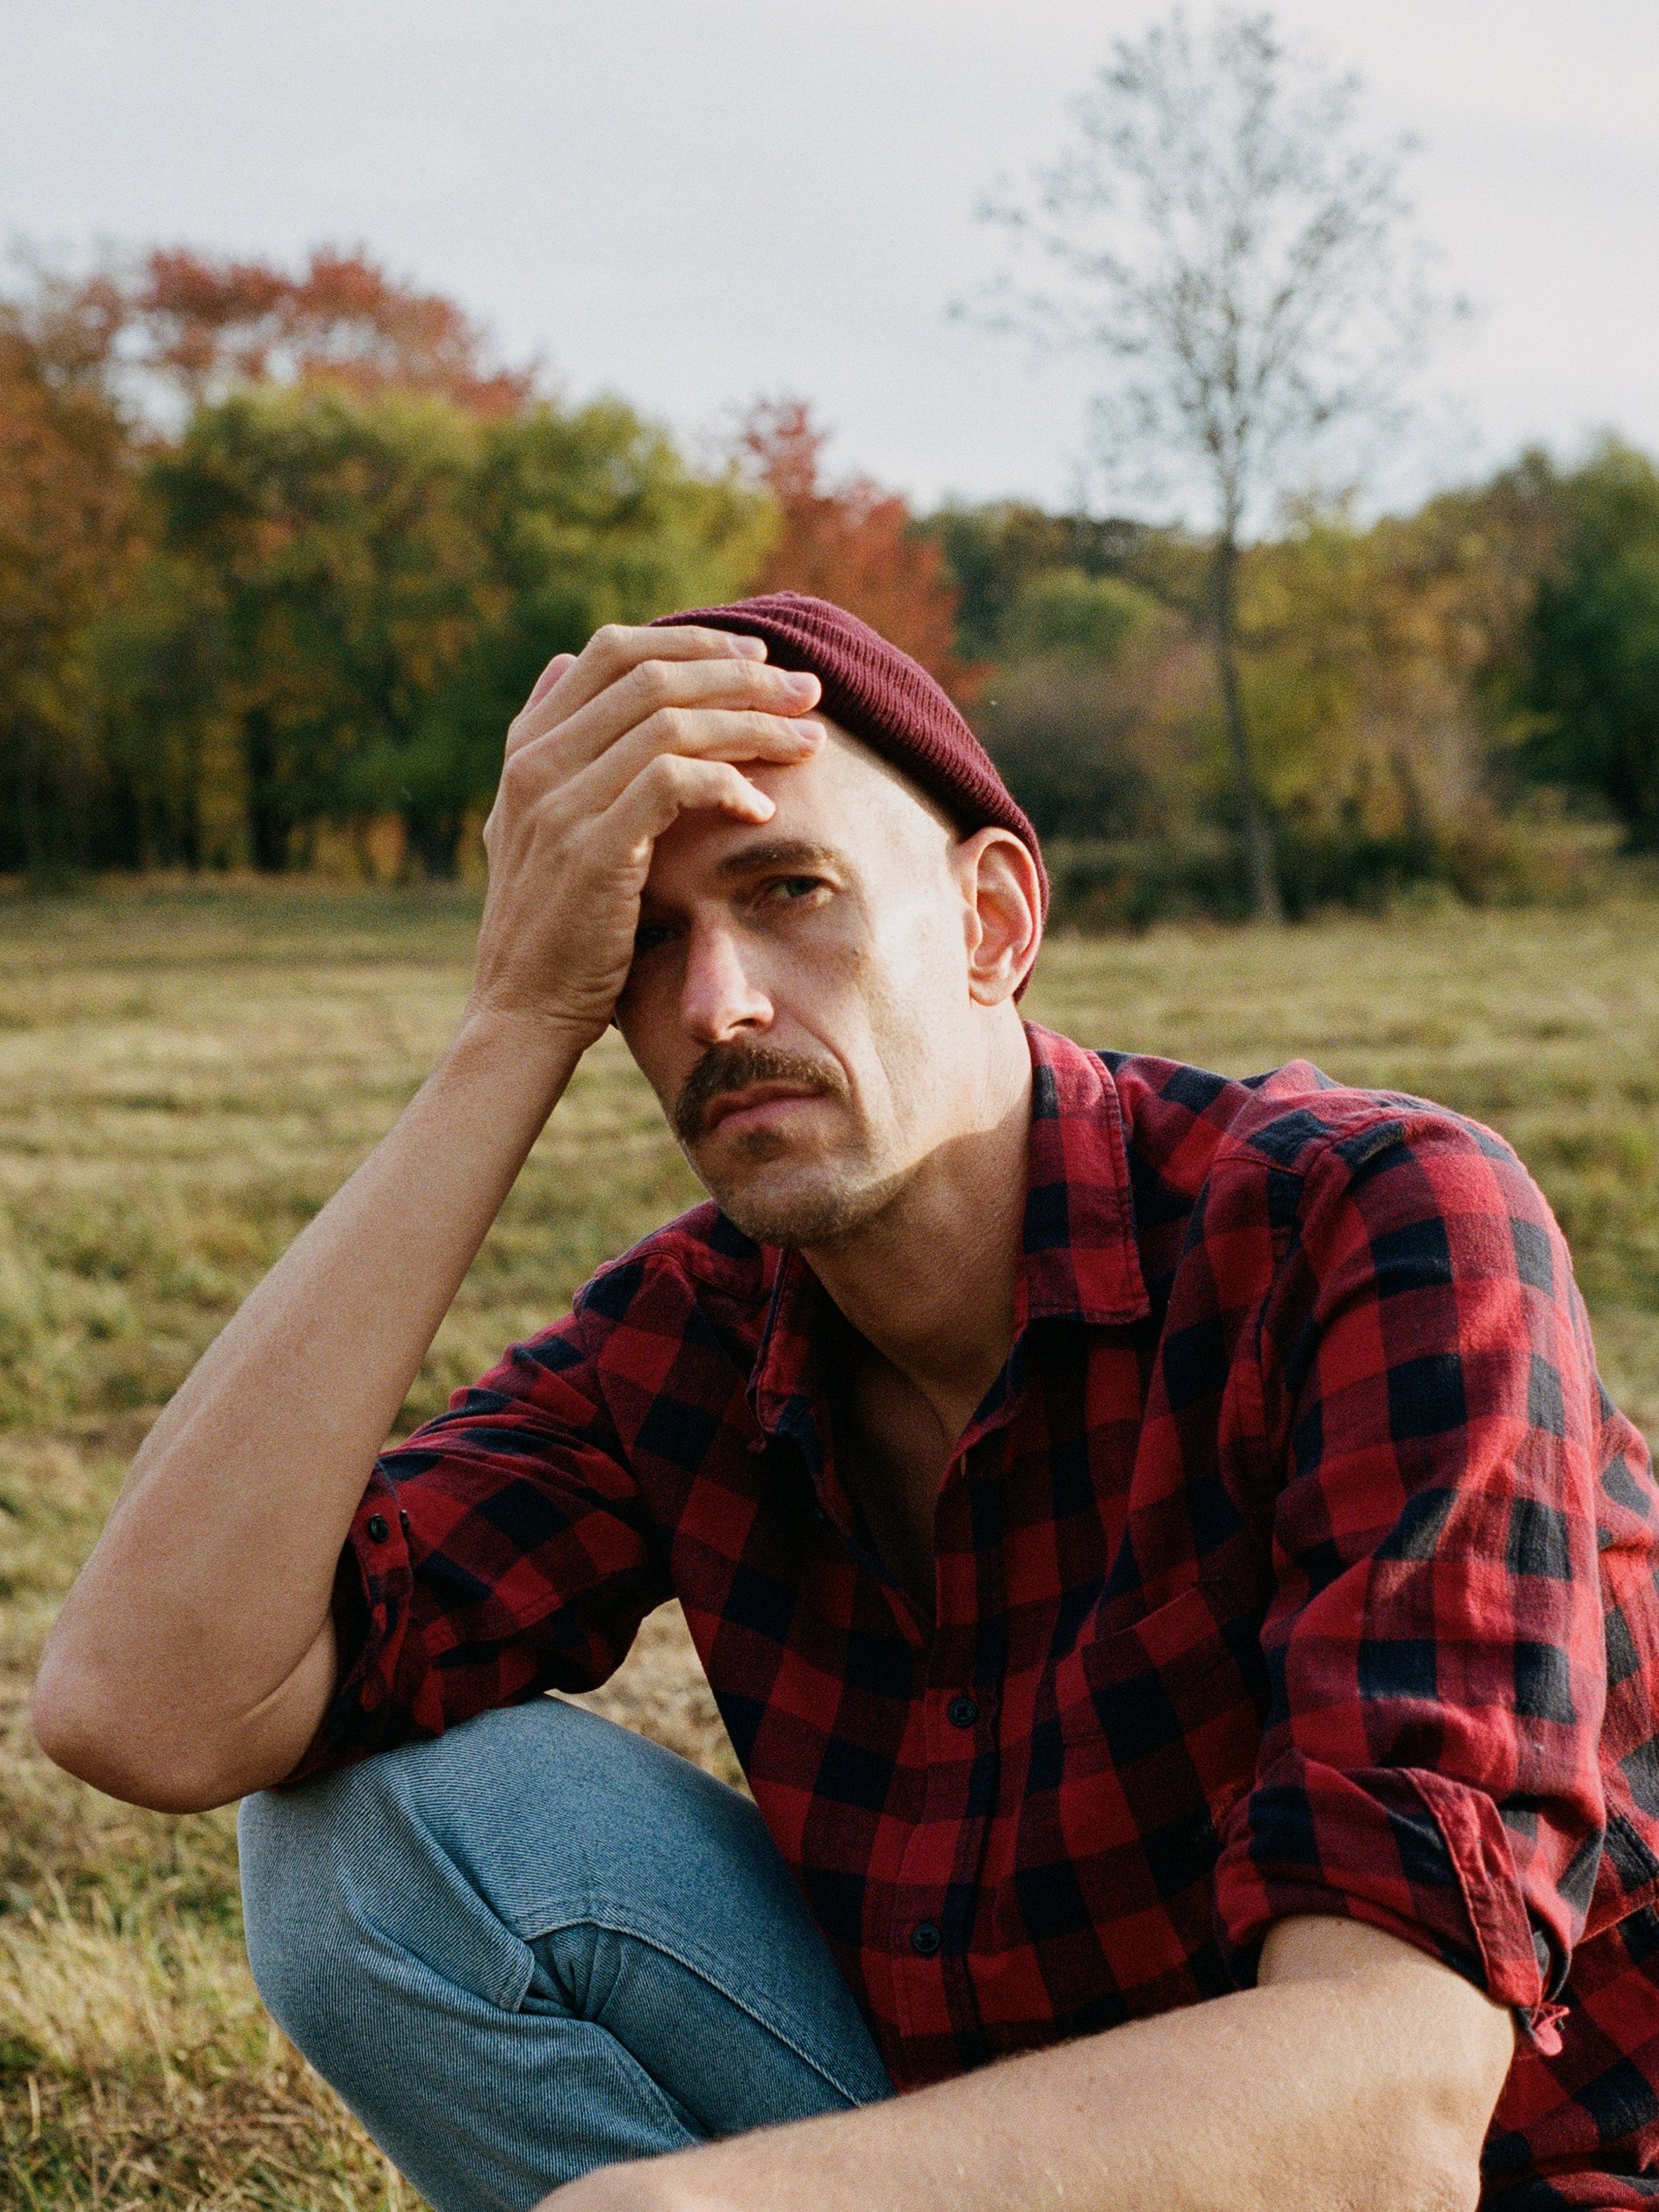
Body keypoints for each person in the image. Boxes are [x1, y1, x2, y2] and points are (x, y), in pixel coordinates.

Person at [32, 593, 1659, 2212]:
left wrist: (692, 2205)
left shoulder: (1364, 1220)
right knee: (362, 1842)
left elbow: (1393, 2110)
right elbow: (142, 1700)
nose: (712, 1005)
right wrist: (509, 1023)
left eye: (786, 890)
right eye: (638, 937)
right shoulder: (688, 1344)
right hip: (992, 2154)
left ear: (989, 923)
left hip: (1480, 2177)